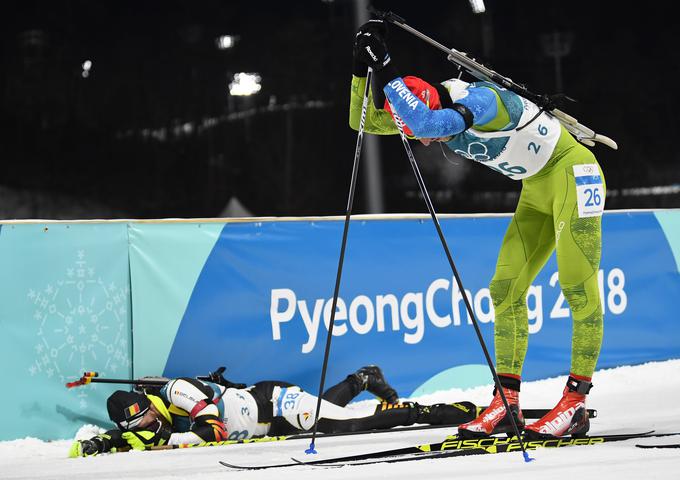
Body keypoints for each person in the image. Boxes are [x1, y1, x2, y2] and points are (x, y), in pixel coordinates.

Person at [350, 19, 606, 440]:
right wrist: (363, 67)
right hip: (537, 187)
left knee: (578, 287)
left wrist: (388, 65)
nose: (423, 142)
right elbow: (362, 122)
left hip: (574, 173)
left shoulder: (484, 101)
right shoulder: (429, 114)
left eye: (417, 129)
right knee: (504, 291)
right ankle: (506, 405)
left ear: (431, 107)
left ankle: (575, 404)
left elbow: (430, 126)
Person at [69, 365, 477, 457]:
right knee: (331, 415)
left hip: (272, 402)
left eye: (145, 418)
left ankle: (435, 411)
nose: (148, 426)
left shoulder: (177, 391)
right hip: (269, 426)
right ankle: (364, 378)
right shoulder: (143, 419)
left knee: (348, 425)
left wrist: (169, 442)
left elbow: (214, 431)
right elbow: (130, 438)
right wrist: (101, 442)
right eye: (137, 425)